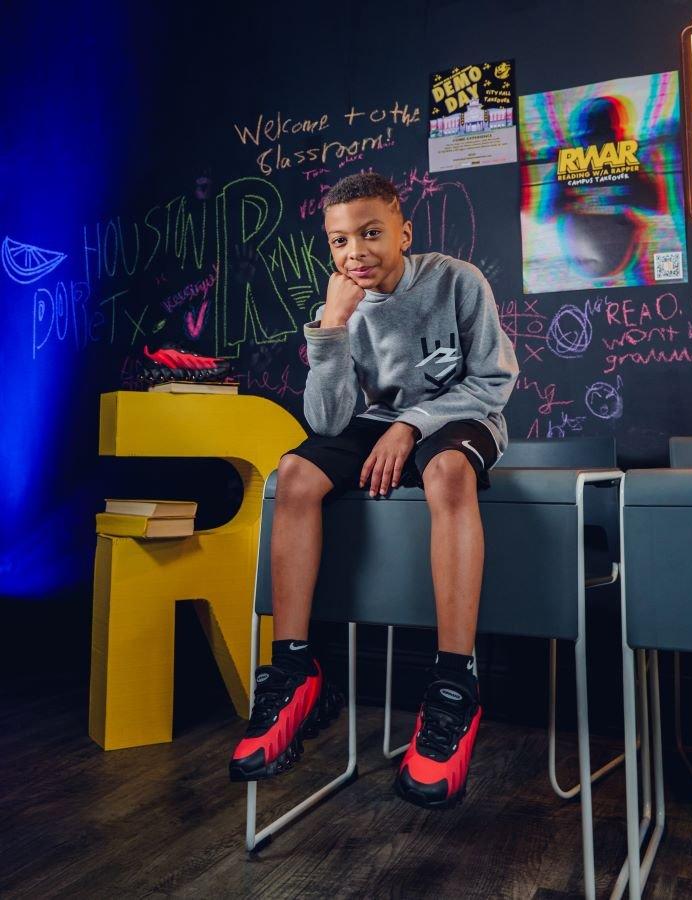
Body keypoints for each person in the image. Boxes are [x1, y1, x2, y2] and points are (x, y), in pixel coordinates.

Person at [229, 172, 519, 808]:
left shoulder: (457, 281)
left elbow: (493, 382)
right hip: (376, 424)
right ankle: (294, 668)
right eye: (338, 241)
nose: (353, 252)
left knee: (445, 471)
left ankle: (452, 683)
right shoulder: (342, 306)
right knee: (295, 475)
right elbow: (329, 423)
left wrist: (414, 425)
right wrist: (330, 329)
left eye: (369, 233)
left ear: (403, 233)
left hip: (465, 417)